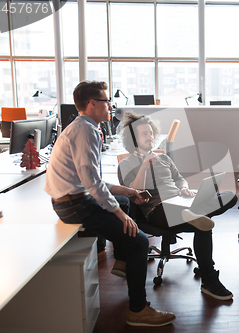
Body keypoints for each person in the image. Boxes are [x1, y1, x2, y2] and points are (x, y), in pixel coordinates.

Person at [45, 81, 176, 327]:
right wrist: (120, 215)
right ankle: (138, 310)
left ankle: (124, 262)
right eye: (107, 101)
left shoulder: (82, 126)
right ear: (93, 104)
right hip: (74, 205)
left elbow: (90, 181)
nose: (111, 106)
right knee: (139, 241)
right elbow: (92, 183)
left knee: (126, 200)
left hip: (73, 199)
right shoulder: (86, 131)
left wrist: (127, 191)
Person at [117, 110, 237, 301]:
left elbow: (180, 179)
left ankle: (193, 212)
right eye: (144, 134)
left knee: (230, 196)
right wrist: (144, 165)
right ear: (133, 138)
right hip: (157, 210)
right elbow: (135, 194)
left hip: (180, 202)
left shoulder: (164, 158)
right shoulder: (126, 164)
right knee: (203, 225)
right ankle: (209, 280)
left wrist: (183, 189)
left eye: (150, 133)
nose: (150, 137)